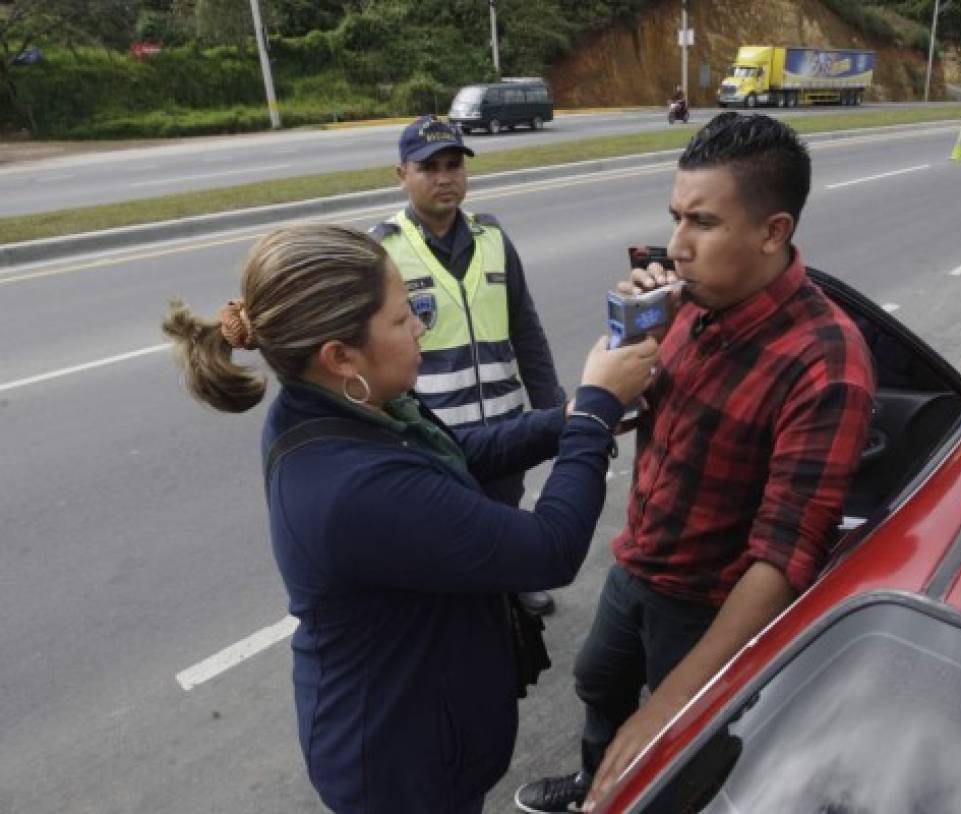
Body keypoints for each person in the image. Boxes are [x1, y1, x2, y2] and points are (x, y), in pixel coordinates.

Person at [161, 224, 658, 814]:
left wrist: (565, 419)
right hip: (400, 767)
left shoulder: (345, 401)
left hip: (422, 723)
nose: (420, 327)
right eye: (402, 319)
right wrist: (596, 415)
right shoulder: (353, 488)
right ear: (340, 354)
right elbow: (548, 549)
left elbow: (455, 453)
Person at [515, 113, 877, 813]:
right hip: (638, 563)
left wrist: (669, 711)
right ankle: (594, 786)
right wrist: (630, 337)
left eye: (703, 223)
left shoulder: (825, 364)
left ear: (773, 231)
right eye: (676, 217)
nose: (677, 248)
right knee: (597, 683)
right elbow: (631, 411)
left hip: (708, 604)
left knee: (683, 758)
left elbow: (784, 559)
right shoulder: (689, 306)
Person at [369, 114, 562, 616]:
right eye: (429, 166)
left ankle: (511, 587)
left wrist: (557, 413)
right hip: (434, 434)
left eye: (453, 165)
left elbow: (527, 332)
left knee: (502, 515)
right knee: (443, 537)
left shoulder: (493, 238)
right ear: (402, 174)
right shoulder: (382, 250)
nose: (445, 177)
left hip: (504, 423)